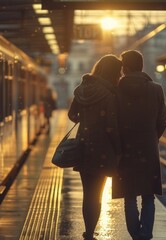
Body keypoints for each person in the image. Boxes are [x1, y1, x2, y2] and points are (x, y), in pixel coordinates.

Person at [112, 50, 166, 240]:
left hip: (125, 150)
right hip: (148, 149)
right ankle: (146, 234)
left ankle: (135, 234)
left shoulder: (116, 91)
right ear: (142, 66)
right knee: (148, 195)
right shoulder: (156, 89)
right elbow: (163, 121)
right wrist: (152, 137)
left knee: (129, 196)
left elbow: (113, 121)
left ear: (124, 67)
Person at [68, 54, 122, 240]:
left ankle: (88, 231)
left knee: (87, 192)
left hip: (84, 145)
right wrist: (118, 149)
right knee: (97, 193)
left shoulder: (82, 88)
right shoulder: (110, 93)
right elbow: (112, 125)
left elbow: (71, 115)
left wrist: (86, 121)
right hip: (103, 149)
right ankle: (91, 232)